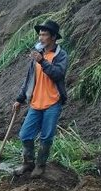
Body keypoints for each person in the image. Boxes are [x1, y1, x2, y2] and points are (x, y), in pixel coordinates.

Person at [13, 20, 68, 178]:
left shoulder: (60, 55)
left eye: (44, 34)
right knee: (25, 135)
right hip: (36, 103)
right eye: (40, 34)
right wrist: (20, 99)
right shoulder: (38, 54)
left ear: (53, 37)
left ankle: (40, 165)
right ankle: (28, 163)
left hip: (53, 102)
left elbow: (58, 74)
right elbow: (29, 79)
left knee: (46, 136)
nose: (41, 38)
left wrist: (42, 61)